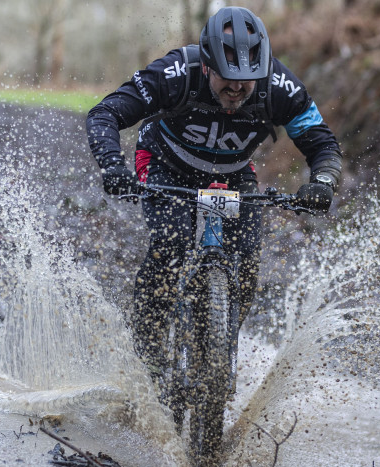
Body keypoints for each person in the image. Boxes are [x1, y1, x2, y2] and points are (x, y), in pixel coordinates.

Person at [86, 6, 343, 380]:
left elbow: (323, 145)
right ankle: (149, 349)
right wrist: (112, 166)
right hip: (164, 163)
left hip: (233, 172)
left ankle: (216, 352)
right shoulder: (175, 73)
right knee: (171, 245)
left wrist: (322, 182)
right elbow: (104, 114)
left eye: (248, 79)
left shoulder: (281, 87)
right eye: (227, 78)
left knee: (247, 262)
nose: (237, 88)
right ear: (206, 65)